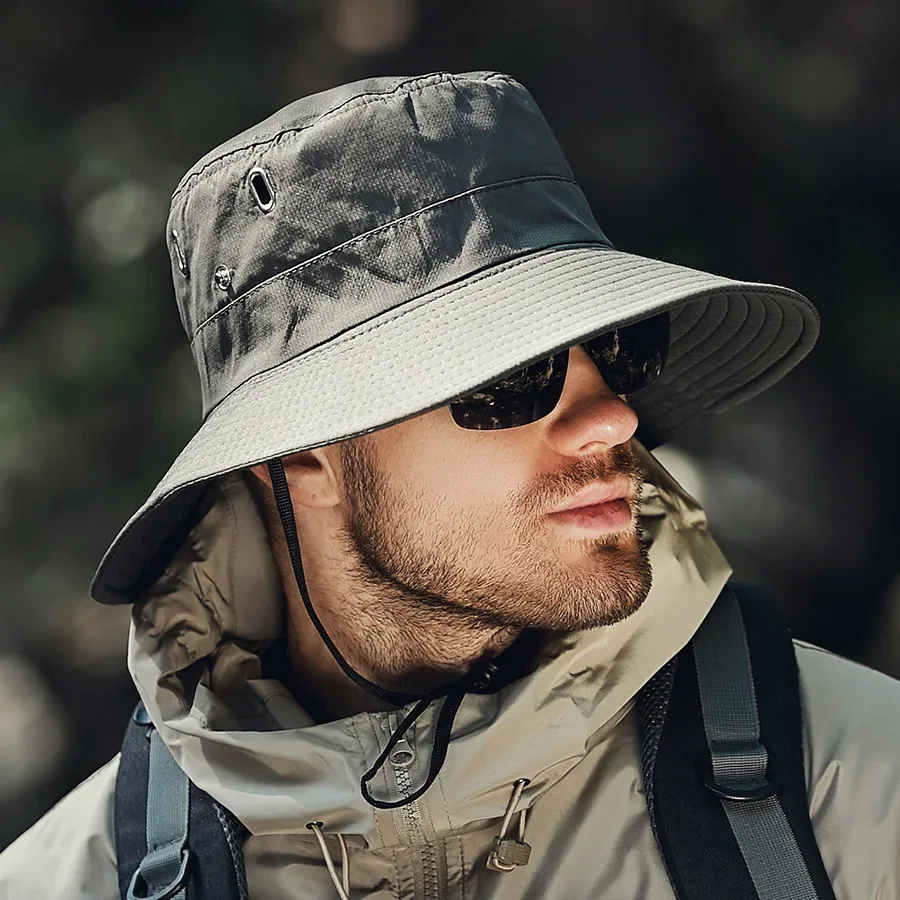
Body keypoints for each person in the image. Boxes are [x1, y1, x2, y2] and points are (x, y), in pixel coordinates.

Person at [1, 69, 898, 900]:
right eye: (512, 378)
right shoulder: (71, 880)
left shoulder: (861, 794)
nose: (614, 420)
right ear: (307, 456)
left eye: (619, 352)